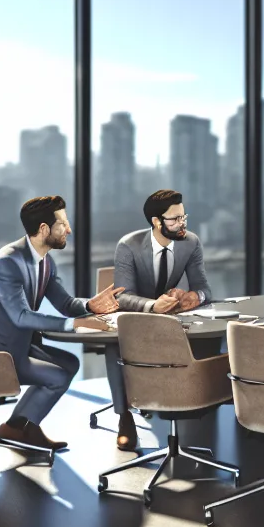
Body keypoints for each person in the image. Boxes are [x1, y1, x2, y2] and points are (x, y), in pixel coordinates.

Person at [0, 196, 120, 452]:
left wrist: (90, 306)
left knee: (70, 363)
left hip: (16, 345)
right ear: (44, 229)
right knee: (57, 375)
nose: (68, 229)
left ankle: (18, 426)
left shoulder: (45, 261)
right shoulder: (7, 263)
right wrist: (77, 324)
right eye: (63, 224)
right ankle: (21, 427)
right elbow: (20, 316)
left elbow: (65, 304)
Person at [107, 189, 213, 450]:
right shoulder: (128, 246)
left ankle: (190, 404)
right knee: (114, 346)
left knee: (209, 340)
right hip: (136, 317)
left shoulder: (190, 242)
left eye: (183, 217)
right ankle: (124, 417)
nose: (182, 224)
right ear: (156, 221)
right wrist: (154, 305)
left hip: (171, 321)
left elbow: (205, 289)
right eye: (174, 219)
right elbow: (122, 297)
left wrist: (194, 297)